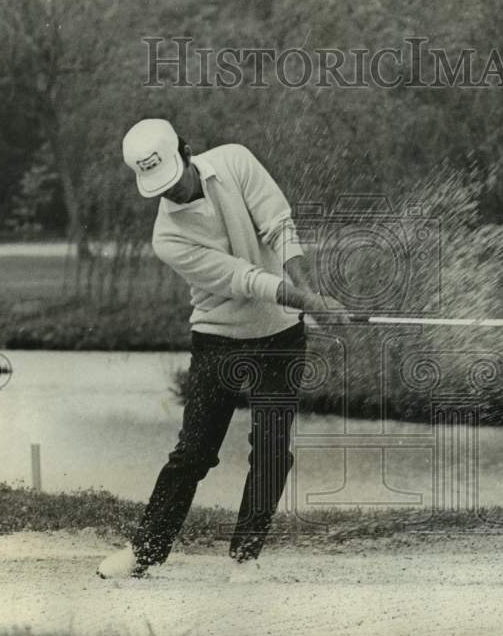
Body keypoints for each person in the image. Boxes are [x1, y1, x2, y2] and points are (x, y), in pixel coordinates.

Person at [98, 118, 344, 580]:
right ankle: (145, 552)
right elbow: (242, 279)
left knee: (272, 449)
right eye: (159, 189)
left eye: (174, 181)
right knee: (193, 452)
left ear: (187, 152)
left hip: (281, 337)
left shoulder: (235, 160)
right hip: (217, 339)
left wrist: (306, 290)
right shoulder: (166, 238)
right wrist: (309, 301)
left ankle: (245, 556)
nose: (171, 194)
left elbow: (278, 225)